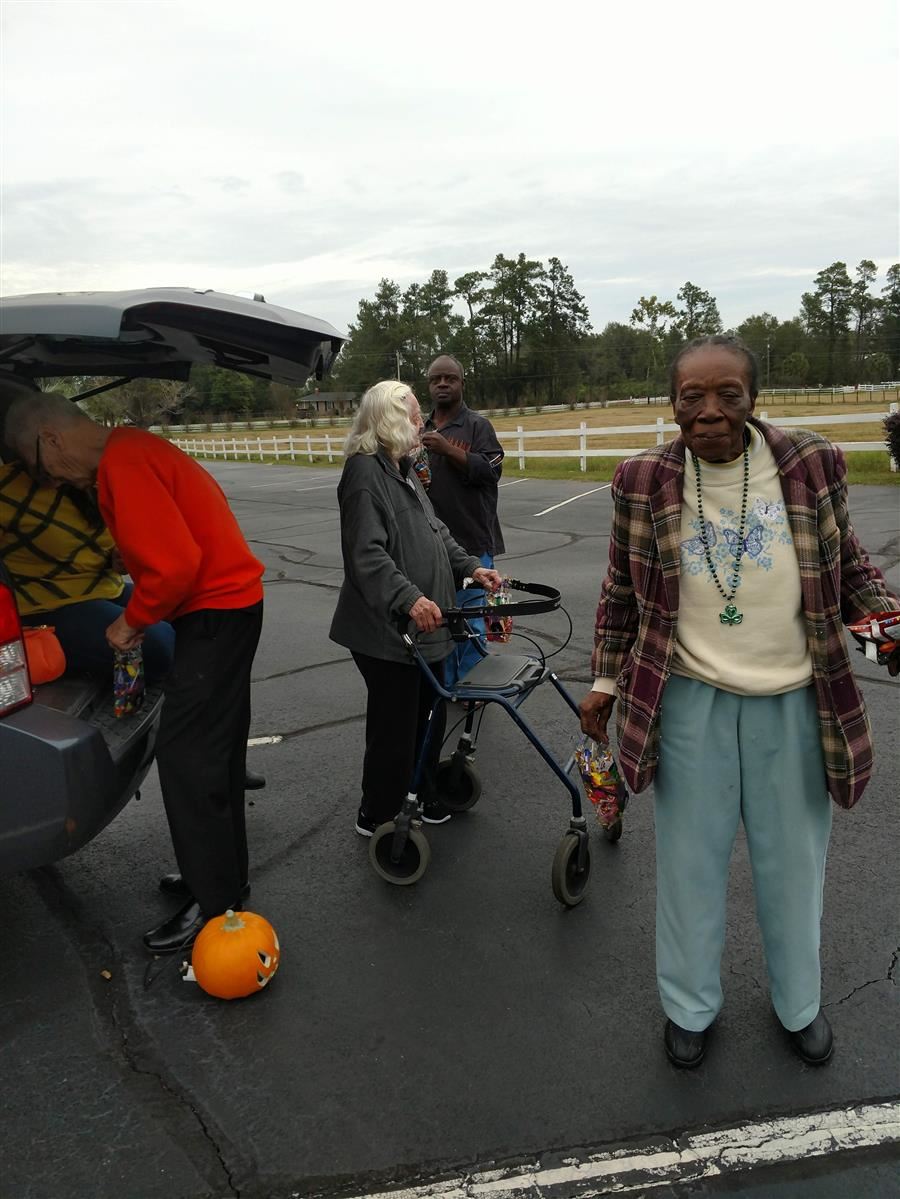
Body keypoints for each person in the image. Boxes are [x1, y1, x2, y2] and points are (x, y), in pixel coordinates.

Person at [578, 335, 898, 1070]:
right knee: (689, 864)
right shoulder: (641, 478)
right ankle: (689, 1006)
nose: (709, 412)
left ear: (754, 398)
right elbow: (620, 591)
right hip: (689, 701)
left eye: (727, 395)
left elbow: (847, 563)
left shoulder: (808, 462)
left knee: (794, 866)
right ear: (673, 403)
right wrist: (603, 679)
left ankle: (800, 1004)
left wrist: (888, 627)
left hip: (794, 698)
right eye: (692, 397)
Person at [4, 392, 266, 953]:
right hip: (231, 607)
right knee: (212, 757)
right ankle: (219, 879)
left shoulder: (123, 462)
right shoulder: (131, 449)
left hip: (216, 613)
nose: (42, 477)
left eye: (34, 463)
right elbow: (173, 542)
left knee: (188, 759)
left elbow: (176, 567)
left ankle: (217, 906)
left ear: (50, 438)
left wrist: (132, 621)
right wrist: (133, 560)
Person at [330, 379, 502, 836]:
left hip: (426, 626)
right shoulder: (364, 473)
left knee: (430, 712)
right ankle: (380, 813)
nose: (420, 423)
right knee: (396, 725)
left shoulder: (401, 467)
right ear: (389, 419)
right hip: (387, 629)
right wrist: (409, 597)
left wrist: (471, 569)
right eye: (411, 415)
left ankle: (422, 792)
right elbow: (367, 556)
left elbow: (436, 531)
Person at [422, 355, 505, 684]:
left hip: (472, 544)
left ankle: (472, 688)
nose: (442, 384)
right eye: (436, 379)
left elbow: (491, 471)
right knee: (440, 618)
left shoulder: (477, 426)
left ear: (461, 383)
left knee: (471, 619)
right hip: (432, 544)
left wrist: (448, 450)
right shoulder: (421, 427)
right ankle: (446, 686)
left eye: (450, 379)